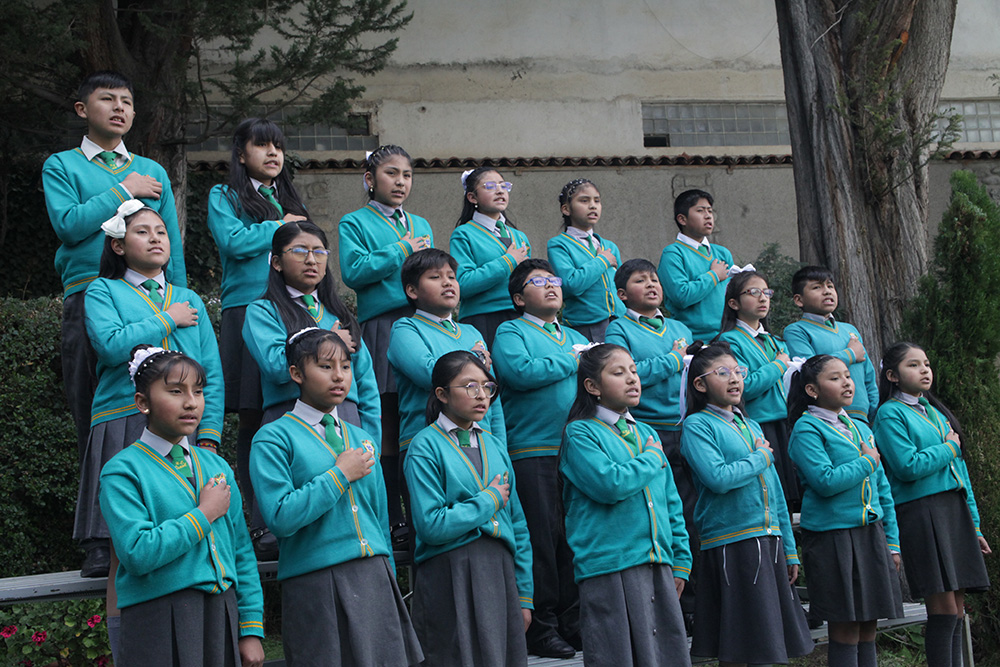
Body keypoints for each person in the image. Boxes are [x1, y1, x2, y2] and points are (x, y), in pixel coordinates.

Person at [42, 71, 187, 576]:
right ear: (82, 109)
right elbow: (69, 224)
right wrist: (123, 190)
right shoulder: (62, 165)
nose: (120, 108)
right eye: (108, 99)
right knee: (97, 416)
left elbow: (172, 243)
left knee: (166, 410)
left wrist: (181, 299)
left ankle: (166, 517)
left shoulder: (153, 169)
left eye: (127, 100)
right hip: (90, 295)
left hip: (156, 301)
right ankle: (101, 537)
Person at [250, 328, 421, 666]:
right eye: (326, 367)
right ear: (296, 374)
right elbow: (281, 517)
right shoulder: (272, 438)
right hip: (316, 579)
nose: (339, 376)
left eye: (345, 366)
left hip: (374, 576)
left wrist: (385, 568)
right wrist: (339, 474)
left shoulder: (361, 437)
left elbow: (378, 515)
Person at [99, 346, 264, 667]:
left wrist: (251, 629)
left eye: (198, 391)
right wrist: (204, 514)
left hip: (221, 614)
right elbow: (137, 552)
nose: (191, 402)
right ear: (142, 402)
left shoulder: (216, 466)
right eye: (175, 391)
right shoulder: (122, 472)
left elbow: (241, 552)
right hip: (157, 618)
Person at [80, 201, 221, 574]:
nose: (156, 238)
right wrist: (166, 319)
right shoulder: (102, 290)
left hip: (184, 426)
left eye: (161, 231)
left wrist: (209, 434)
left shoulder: (190, 299)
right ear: (118, 245)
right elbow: (110, 346)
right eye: (142, 231)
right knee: (120, 550)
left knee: (185, 530)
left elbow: (211, 373)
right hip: (123, 414)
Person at [242, 220, 378, 557]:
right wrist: (327, 337)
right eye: (299, 251)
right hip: (292, 417)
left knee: (353, 515)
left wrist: (370, 435)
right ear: (276, 261)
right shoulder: (263, 310)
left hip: (347, 417)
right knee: (303, 517)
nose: (311, 260)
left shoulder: (339, 313)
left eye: (319, 252)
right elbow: (276, 366)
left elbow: (367, 384)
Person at [206, 118, 308, 552]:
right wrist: (281, 227)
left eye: (278, 146)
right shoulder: (223, 195)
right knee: (252, 415)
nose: (273, 154)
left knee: (291, 408)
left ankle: (293, 512)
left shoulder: (287, 196)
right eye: (262, 145)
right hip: (247, 308)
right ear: (241, 152)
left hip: (293, 309)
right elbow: (231, 241)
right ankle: (257, 519)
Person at [680, 342, 812, 666]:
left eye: (739, 371)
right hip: (732, 542)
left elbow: (777, 493)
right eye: (723, 373)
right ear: (699, 384)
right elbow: (718, 478)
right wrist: (759, 457)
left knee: (767, 644)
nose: (735, 378)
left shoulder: (750, 425)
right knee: (739, 646)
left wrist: (789, 548)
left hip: (768, 540)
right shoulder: (697, 426)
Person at [560, 344, 691, 666]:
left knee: (664, 656)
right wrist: (650, 458)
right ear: (592, 387)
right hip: (610, 565)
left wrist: (681, 560)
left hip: (657, 562)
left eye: (633, 370)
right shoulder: (580, 433)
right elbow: (610, 484)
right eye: (618, 373)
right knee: (618, 656)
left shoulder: (644, 432)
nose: (632, 379)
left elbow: (670, 502)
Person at [404, 351, 533, 666]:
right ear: (442, 394)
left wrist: (525, 593)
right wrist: (488, 500)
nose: (481, 395)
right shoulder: (424, 446)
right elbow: (432, 525)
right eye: (469, 386)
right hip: (449, 572)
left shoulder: (493, 444)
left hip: (499, 571)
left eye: (487, 387)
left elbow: (517, 523)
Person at [873, 342, 992, 667]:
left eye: (926, 363)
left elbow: (960, 474)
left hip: (953, 512)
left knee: (956, 610)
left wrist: (975, 524)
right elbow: (907, 467)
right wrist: (949, 449)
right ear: (892, 376)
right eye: (913, 365)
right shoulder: (889, 414)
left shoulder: (934, 411)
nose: (925, 370)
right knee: (940, 610)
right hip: (922, 513)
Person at [492, 258, 588, 658]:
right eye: (538, 282)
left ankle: (576, 622)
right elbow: (519, 372)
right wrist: (575, 361)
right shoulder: (510, 331)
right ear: (518, 298)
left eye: (554, 280)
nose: (551, 286)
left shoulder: (576, 335)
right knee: (542, 543)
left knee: (573, 540)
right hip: (533, 451)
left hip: (579, 451)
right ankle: (542, 628)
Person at [787, 355, 903, 667]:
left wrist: (891, 541)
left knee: (868, 626)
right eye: (835, 378)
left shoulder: (858, 426)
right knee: (846, 627)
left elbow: (882, 491)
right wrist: (866, 461)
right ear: (812, 390)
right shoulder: (807, 428)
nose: (847, 382)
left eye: (848, 376)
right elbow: (824, 481)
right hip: (833, 537)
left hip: (870, 535)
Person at [338, 144, 432, 529]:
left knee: (423, 417)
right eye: (391, 173)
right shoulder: (354, 222)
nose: (400, 182)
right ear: (369, 179)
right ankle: (392, 518)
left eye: (407, 175)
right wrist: (402, 250)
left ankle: (424, 510)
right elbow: (353, 272)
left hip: (423, 325)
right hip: (382, 327)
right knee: (387, 420)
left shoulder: (422, 223)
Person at [604, 258, 698, 619]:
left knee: (687, 516)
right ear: (623, 294)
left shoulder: (679, 327)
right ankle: (659, 607)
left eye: (655, 279)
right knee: (655, 514)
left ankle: (691, 604)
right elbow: (629, 373)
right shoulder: (619, 329)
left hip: (687, 429)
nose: (652, 285)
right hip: (647, 432)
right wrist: (673, 360)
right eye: (641, 281)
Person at [387, 248, 506, 460]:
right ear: (412, 291)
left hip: (483, 442)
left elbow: (491, 392)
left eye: (451, 276)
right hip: (428, 443)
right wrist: (475, 360)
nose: (447, 282)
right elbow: (430, 373)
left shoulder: (472, 332)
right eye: (435, 277)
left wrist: (499, 447)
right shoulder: (405, 328)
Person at [716, 269, 799, 511]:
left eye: (767, 292)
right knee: (772, 494)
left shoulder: (775, 340)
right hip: (760, 424)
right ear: (733, 303)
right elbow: (744, 386)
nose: (763, 298)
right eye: (753, 292)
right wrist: (778, 365)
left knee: (793, 496)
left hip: (787, 422)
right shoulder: (729, 340)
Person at [783, 266, 879, 424]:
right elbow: (808, 369)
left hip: (862, 418)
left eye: (830, 286)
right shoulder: (796, 331)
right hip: (826, 418)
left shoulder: (849, 330)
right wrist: (850, 354)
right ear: (799, 300)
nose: (827, 291)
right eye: (817, 287)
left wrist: (874, 410)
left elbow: (869, 376)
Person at [450, 167, 531, 349]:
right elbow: (463, 283)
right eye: (490, 186)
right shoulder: (464, 234)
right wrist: (508, 260)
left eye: (504, 186)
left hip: (520, 318)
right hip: (483, 318)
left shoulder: (519, 236)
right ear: (472, 197)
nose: (500, 190)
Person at [546, 178, 625, 342]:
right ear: (566, 209)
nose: (593, 206)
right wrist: (602, 261)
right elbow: (571, 284)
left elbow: (622, 286)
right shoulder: (559, 244)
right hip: (586, 325)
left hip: (619, 322)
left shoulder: (610, 246)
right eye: (584, 200)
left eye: (597, 200)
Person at [658, 189, 732, 342]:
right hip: (693, 339)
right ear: (682, 219)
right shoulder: (673, 253)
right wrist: (714, 276)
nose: (708, 216)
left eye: (710, 211)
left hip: (728, 336)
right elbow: (681, 296)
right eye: (700, 211)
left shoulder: (722, 253)